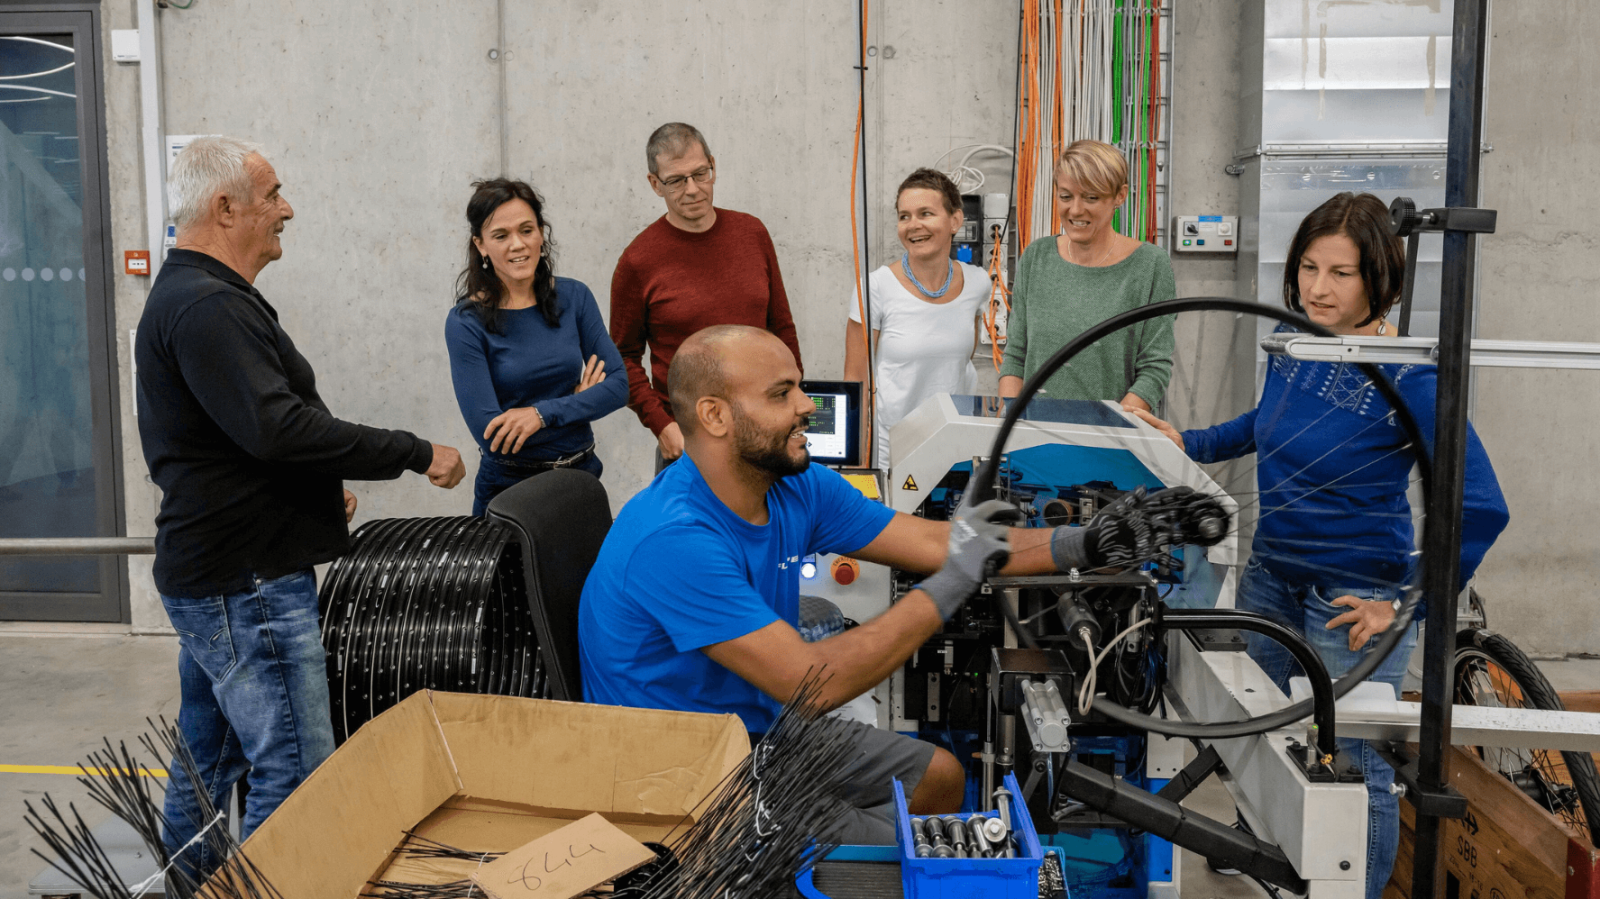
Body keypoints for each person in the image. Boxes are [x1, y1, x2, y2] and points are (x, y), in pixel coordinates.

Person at [577, 324, 1145, 844]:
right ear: (715, 415)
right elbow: (812, 685)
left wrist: (1090, 542)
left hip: (760, 737)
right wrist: (950, 585)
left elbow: (937, 542)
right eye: (781, 395)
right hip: (685, 778)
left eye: (798, 388)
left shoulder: (794, 486)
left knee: (939, 778)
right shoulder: (673, 537)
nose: (806, 408)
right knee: (903, 851)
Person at [1127, 192, 1509, 899]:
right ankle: (1268, 858)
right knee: (1267, 739)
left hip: (1353, 597)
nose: (1317, 287)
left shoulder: (1410, 375)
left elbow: (1482, 503)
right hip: (1272, 574)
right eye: (1308, 267)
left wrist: (1406, 604)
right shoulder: (1296, 347)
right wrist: (1190, 441)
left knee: (1353, 768)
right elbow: (1265, 426)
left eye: (1341, 273)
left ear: (1378, 281)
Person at [134, 137, 466, 876]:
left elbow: (234, 437)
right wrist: (415, 450)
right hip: (246, 584)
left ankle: (189, 889)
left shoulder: (199, 297)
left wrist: (312, 494)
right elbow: (275, 425)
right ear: (225, 208)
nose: (287, 209)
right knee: (295, 770)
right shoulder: (206, 307)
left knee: (207, 763)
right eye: (272, 194)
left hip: (220, 573)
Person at [610, 122, 803, 467]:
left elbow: (782, 328)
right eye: (676, 180)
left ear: (713, 165)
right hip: (690, 444)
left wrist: (791, 400)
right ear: (655, 184)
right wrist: (662, 425)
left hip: (765, 432)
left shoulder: (752, 233)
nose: (693, 189)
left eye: (701, 173)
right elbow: (622, 358)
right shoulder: (638, 261)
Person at [445, 178, 627, 516]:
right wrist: (579, 403)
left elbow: (618, 387)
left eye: (526, 230)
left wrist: (541, 415)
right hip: (510, 493)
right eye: (501, 236)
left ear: (541, 233)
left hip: (581, 482)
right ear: (481, 245)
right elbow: (492, 436)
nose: (517, 244)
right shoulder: (466, 323)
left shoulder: (575, 297)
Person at [999, 140, 1175, 411]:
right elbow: (1016, 355)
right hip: (1034, 437)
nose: (1076, 210)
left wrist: (1115, 428)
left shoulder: (1150, 265)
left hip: (1112, 437)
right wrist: (1008, 420)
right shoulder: (1037, 257)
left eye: (1091, 197)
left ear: (1120, 195)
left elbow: (1154, 367)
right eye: (1066, 196)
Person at [844, 168, 991, 469]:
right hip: (892, 453)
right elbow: (855, 382)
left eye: (926, 213)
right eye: (904, 216)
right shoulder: (875, 287)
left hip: (955, 449)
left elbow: (963, 361)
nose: (913, 226)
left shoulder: (978, 283)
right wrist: (857, 465)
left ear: (955, 221)